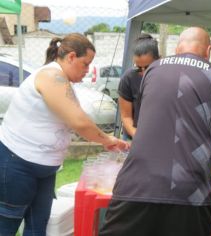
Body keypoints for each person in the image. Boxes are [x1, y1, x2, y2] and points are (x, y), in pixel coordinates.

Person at [100, 27, 211, 236]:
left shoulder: (152, 71)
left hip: (135, 187)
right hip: (190, 194)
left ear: (176, 48)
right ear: (208, 51)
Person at [0, 33, 129, 235]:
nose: (87, 71)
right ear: (70, 57)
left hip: (45, 168)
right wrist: (108, 140)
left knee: (38, 225)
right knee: (7, 224)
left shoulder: (63, 80)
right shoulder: (52, 76)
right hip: (18, 163)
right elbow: (78, 121)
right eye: (85, 64)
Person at [118, 33, 159, 140]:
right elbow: (126, 116)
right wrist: (137, 136)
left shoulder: (167, 77)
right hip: (134, 135)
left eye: (148, 67)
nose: (143, 72)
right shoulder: (128, 78)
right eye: (138, 67)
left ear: (159, 59)